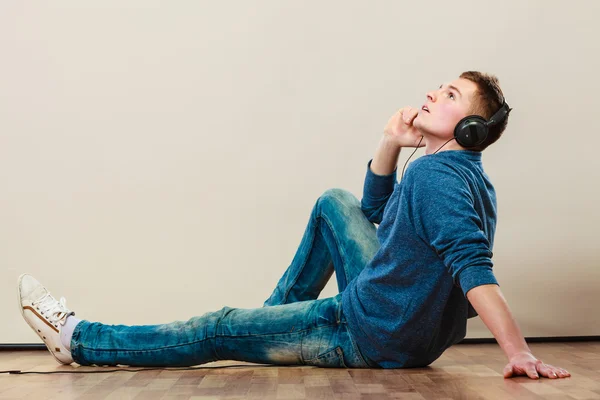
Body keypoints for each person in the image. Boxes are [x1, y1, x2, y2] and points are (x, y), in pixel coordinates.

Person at [18, 71, 571, 379]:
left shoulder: (437, 180)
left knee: (218, 326)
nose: (431, 92)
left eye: (449, 96)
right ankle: (270, 321)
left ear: (470, 128)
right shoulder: (455, 170)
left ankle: (78, 340)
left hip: (371, 332)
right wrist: (388, 144)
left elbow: (475, 269)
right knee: (336, 204)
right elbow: (375, 213)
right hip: (402, 317)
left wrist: (518, 351)